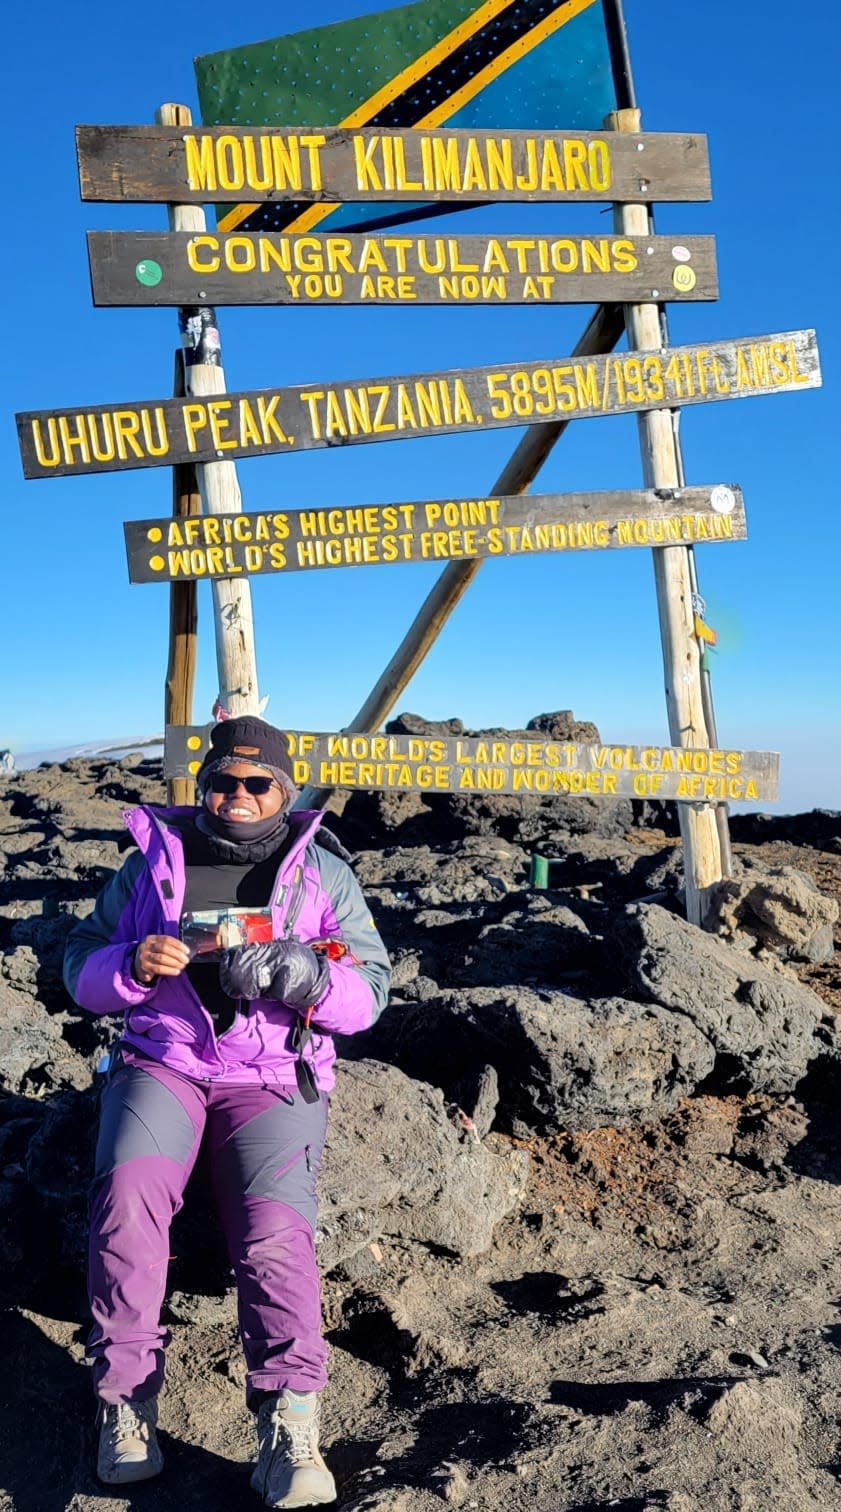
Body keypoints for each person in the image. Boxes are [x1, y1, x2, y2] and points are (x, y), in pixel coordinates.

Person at [63, 715, 391, 1509]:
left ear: (285, 791)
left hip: (274, 1075)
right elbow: (79, 967)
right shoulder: (149, 865)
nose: (236, 796)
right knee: (127, 1203)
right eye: (222, 782)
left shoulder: (322, 873)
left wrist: (308, 974)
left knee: (275, 1231)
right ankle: (125, 1404)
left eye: (257, 784)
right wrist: (131, 967)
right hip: (164, 1059)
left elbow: (371, 991)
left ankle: (289, 1423)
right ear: (202, 785)